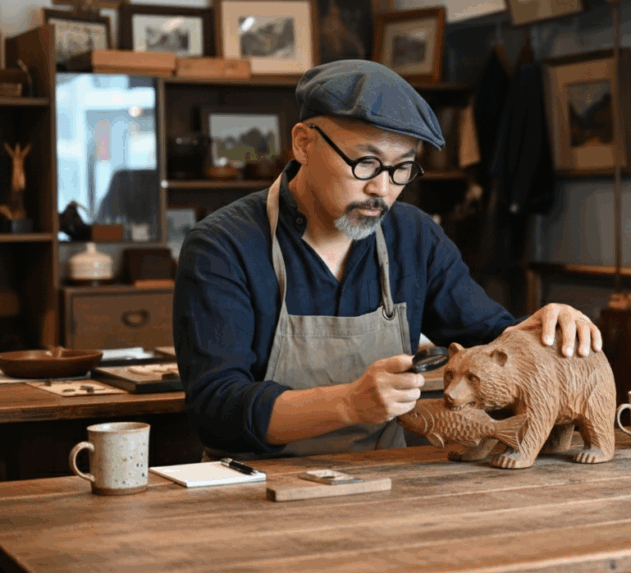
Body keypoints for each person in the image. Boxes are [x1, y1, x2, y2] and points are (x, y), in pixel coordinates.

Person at [173, 60, 601, 459]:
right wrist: (346, 404)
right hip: (252, 488)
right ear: (303, 143)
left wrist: (540, 331)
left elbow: (490, 337)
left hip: (382, 477)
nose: (383, 189)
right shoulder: (222, 247)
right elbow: (217, 411)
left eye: (402, 169)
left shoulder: (413, 237)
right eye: (366, 163)